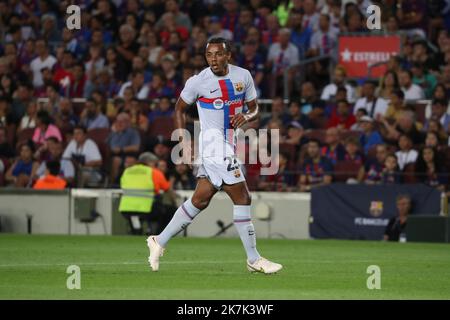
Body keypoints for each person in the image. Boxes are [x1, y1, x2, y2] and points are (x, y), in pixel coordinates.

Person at [147, 37, 282, 274]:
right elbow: (179, 108)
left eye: (218, 54)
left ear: (228, 55)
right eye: (209, 55)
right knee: (243, 198)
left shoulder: (243, 76)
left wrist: (247, 117)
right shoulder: (198, 82)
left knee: (200, 199)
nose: (213, 59)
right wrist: (183, 140)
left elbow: (255, 108)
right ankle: (254, 259)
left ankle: (159, 241)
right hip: (213, 147)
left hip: (229, 144)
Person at [119, 152, 171, 235]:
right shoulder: (154, 172)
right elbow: (166, 188)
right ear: (150, 162)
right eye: (155, 164)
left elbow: (123, 186)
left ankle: (137, 230)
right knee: (170, 210)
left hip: (125, 209)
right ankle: (158, 235)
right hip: (145, 209)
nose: (156, 166)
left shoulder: (127, 171)